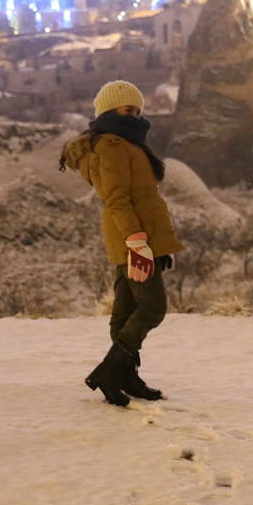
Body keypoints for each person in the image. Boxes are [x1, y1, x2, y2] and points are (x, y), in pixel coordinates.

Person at [59, 80, 184, 407]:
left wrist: (158, 245)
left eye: (138, 111)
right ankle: (109, 372)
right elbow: (117, 200)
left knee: (126, 309)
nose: (135, 116)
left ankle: (125, 375)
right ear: (109, 111)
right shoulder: (113, 146)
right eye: (128, 110)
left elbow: (144, 200)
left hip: (138, 237)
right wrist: (138, 243)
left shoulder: (125, 143)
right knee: (153, 308)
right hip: (132, 238)